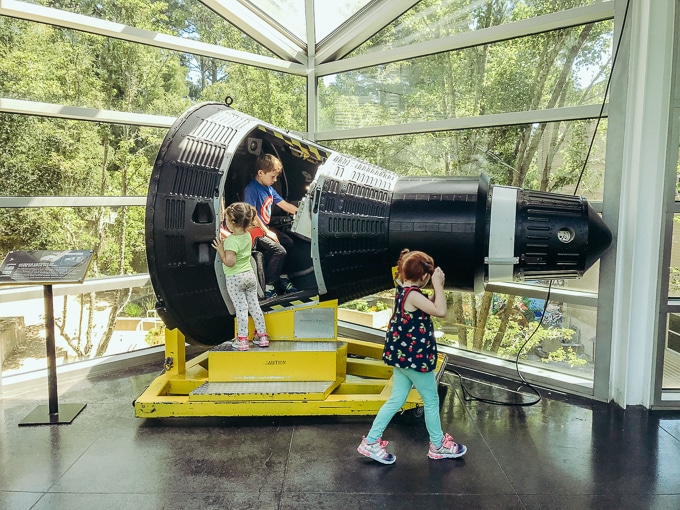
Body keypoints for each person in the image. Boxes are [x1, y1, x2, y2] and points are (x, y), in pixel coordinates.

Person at [357, 249, 467, 464]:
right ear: (425, 276)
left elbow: (432, 307)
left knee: (396, 399)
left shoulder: (404, 291)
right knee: (431, 400)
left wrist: (435, 288)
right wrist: (438, 284)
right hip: (414, 360)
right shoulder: (414, 295)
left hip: (402, 357)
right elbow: (441, 311)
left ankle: (370, 441)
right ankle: (438, 445)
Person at [211, 202, 269, 351]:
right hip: (250, 275)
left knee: (241, 309)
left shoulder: (231, 240)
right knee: (254, 306)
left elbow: (230, 262)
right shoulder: (247, 236)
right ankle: (262, 336)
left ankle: (242, 340)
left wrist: (220, 250)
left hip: (235, 278)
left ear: (231, 222)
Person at [243, 153, 298, 299]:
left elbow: (284, 205)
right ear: (261, 173)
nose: (274, 180)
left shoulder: (269, 189)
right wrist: (267, 232)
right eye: (272, 176)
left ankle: (282, 277)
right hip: (254, 231)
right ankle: (268, 286)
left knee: (288, 242)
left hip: (264, 229)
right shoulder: (251, 189)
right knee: (279, 251)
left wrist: (301, 212)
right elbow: (252, 215)